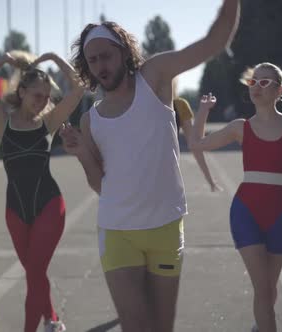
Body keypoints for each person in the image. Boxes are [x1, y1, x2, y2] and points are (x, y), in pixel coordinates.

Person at [58, 2, 240, 331]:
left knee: (160, 325)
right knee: (135, 325)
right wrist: (82, 153)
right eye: (92, 59)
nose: (100, 65)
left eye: (106, 55)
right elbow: (100, 185)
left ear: (124, 53)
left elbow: (213, 43)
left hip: (165, 227)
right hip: (117, 232)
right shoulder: (90, 120)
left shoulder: (154, 79)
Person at [189, 63, 282, 332]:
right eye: (253, 82)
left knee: (269, 291)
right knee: (262, 290)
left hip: (280, 214)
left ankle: (259, 326)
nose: (256, 87)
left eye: (264, 83)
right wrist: (202, 112)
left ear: (279, 90)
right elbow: (197, 144)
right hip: (245, 212)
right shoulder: (240, 127)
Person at [0, 51, 84, 332]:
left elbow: (79, 87)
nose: (43, 101)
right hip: (15, 211)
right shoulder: (0, 119)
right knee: (36, 274)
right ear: (20, 91)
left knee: (34, 273)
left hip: (49, 206)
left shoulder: (49, 122)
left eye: (46, 96)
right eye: (37, 95)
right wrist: (3, 61)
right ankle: (52, 319)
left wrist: (54, 58)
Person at [173, 96, 220, 192]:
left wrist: (209, 178)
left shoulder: (178, 105)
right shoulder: (136, 100)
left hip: (168, 176)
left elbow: (195, 144)